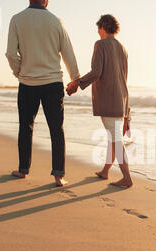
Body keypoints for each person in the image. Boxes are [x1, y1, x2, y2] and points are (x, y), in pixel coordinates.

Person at [5, 0, 80, 187]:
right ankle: (58, 176)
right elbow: (68, 52)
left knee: (26, 127)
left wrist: (19, 72)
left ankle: (23, 170)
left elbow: (10, 54)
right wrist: (75, 78)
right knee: (56, 129)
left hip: (28, 83)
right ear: (46, 0)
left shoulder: (17, 19)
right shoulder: (56, 21)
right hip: (53, 83)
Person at [67, 14, 132, 188]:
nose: (98, 32)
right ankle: (105, 171)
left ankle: (126, 177)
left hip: (109, 98)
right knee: (113, 136)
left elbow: (96, 72)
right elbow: (124, 77)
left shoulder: (100, 44)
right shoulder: (123, 47)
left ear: (103, 26)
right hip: (122, 99)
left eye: (98, 28)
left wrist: (77, 83)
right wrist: (128, 107)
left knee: (116, 138)